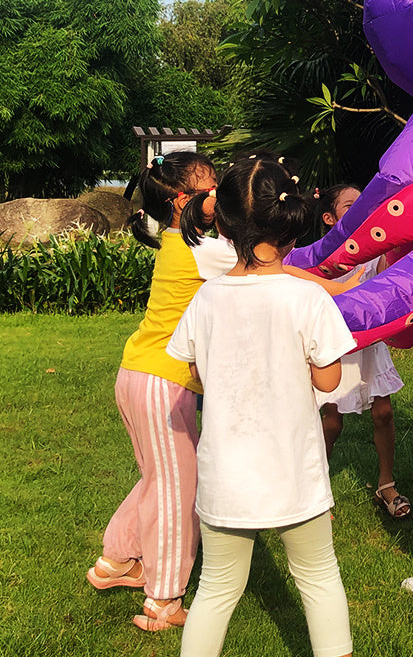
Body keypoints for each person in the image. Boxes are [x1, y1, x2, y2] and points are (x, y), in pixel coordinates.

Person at [167, 155, 356, 657]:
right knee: (318, 578)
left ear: (223, 225)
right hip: (294, 471)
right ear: (292, 225)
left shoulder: (206, 299)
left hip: (226, 475)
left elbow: (195, 371)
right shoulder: (306, 299)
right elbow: (330, 379)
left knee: (217, 589)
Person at [85, 151, 236, 632]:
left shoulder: (182, 239)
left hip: (140, 374)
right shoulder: (205, 248)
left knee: (160, 476)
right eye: (212, 189)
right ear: (184, 200)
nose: (221, 195)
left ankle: (116, 561)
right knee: (177, 488)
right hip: (161, 384)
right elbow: (269, 265)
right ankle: (164, 599)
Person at [312, 184, 409, 519]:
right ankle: (316, 488)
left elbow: (385, 274)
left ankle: (386, 485)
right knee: (331, 420)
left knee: (383, 412)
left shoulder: (372, 251)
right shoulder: (320, 259)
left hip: (369, 343)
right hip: (336, 345)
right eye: (348, 205)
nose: (358, 210)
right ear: (329, 218)